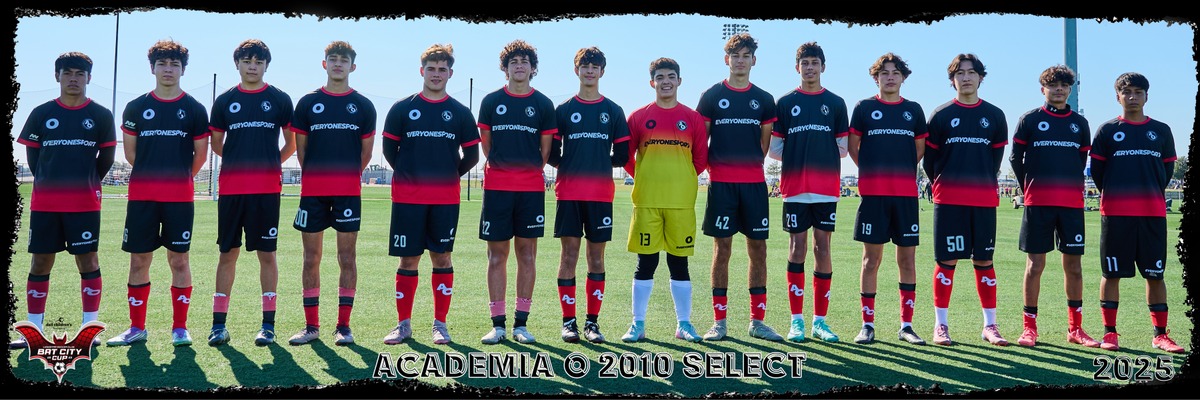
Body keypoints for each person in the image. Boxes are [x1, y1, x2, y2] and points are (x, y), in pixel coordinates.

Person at [105, 40, 209, 347]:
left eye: (174, 64)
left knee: (179, 260)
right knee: (139, 260)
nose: (168, 69)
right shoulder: (136, 107)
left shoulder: (194, 109)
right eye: (162, 64)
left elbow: (200, 156)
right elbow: (131, 155)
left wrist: (178, 178)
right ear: (152, 68)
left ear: (183, 70)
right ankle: (137, 328)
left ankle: (180, 328)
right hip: (142, 198)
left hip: (179, 199)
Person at [11, 52, 115, 349]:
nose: (73, 78)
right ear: (57, 76)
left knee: (88, 260)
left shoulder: (100, 115)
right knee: (41, 261)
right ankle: (33, 329)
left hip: (84, 203)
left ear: (89, 78)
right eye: (67, 72)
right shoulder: (41, 113)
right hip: (46, 203)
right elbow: (34, 158)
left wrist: (86, 181)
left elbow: (106, 158)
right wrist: (50, 181)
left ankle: (90, 328)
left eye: (80, 74)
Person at [380, 43, 480, 345]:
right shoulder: (402, 108)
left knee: (442, 257)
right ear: (421, 71)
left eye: (442, 69)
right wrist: (411, 175)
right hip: (408, 198)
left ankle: (440, 324)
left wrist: (447, 176)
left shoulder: (460, 113)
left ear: (450, 73)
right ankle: (403, 325)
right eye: (431, 69)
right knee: (408, 260)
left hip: (445, 199)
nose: (436, 74)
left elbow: (472, 156)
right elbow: (389, 151)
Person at [285, 41, 376, 346]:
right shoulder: (308, 103)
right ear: (324, 64)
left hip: (347, 193)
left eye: (344, 60)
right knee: (311, 258)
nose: (338, 64)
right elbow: (301, 151)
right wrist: (319, 176)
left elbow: (365, 154)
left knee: (347, 257)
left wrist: (345, 177)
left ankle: (343, 326)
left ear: (353, 66)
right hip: (313, 192)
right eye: (333, 59)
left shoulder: (363, 106)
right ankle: (311, 326)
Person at [207, 39, 295, 346]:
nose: (252, 66)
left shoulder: (279, 99)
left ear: (266, 65)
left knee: (266, 254)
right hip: (232, 190)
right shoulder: (225, 101)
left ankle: (268, 325)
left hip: (266, 190)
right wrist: (239, 162)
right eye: (247, 61)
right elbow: (217, 144)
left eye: (258, 62)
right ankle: (219, 326)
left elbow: (291, 144)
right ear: (237, 64)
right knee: (227, 253)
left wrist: (268, 164)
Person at [695, 33, 782, 342]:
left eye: (746, 56)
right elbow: (701, 141)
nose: (740, 61)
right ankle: (719, 322)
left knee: (758, 250)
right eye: (736, 56)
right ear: (727, 59)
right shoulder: (711, 96)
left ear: (753, 61)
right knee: (722, 250)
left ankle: (757, 322)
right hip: (722, 186)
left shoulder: (764, 99)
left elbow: (764, 145)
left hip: (754, 186)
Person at [1089, 72, 1183, 353]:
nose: (1132, 97)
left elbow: (1166, 171)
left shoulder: (1161, 130)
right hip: (1116, 214)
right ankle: (1109, 333)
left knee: (1155, 274)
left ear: (1146, 96)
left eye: (1138, 92)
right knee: (1111, 273)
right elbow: (1098, 174)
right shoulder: (1107, 130)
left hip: (1152, 213)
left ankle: (1160, 335)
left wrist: (1148, 191)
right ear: (1117, 96)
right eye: (1126, 92)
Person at [1009, 65, 1099, 348]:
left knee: (1074, 267)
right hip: (1038, 203)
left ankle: (1075, 329)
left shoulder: (1080, 124)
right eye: (1053, 85)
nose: (1058, 89)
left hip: (1071, 204)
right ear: (1043, 89)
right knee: (1035, 265)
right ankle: (1029, 328)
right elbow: (1015, 159)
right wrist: (1029, 188)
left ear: (1070, 89)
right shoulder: (1030, 120)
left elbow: (1081, 160)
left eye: (1063, 85)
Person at [923, 54, 1010, 346]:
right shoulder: (940, 115)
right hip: (949, 199)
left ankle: (990, 325)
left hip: (983, 198)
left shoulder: (995, 115)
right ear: (952, 80)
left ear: (981, 77)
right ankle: (941, 325)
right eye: (960, 73)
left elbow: (995, 159)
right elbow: (930, 161)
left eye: (972, 72)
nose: (966, 77)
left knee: (984, 260)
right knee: (946, 260)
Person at [621, 57, 709, 343]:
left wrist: (680, 178)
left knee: (679, 264)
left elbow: (700, 160)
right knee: (645, 263)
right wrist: (646, 176)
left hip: (681, 203)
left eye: (671, 76)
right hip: (647, 201)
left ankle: (684, 324)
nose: (666, 81)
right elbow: (627, 157)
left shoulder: (692, 118)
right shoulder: (638, 117)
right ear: (652, 82)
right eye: (660, 77)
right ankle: (638, 324)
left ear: (679, 81)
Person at [477, 40, 558, 344]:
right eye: (514, 62)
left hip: (530, 190)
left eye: (525, 61)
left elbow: (545, 152)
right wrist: (503, 168)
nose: (519, 66)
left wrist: (527, 170)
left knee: (527, 255)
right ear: (506, 68)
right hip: (497, 188)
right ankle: (497, 325)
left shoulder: (543, 104)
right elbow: (487, 145)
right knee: (497, 256)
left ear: (533, 68)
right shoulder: (491, 101)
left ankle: (521, 325)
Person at [767, 41, 848, 343]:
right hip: (795, 188)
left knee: (822, 249)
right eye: (805, 63)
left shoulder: (836, 103)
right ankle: (796, 321)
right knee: (797, 248)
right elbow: (774, 149)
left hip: (825, 189)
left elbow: (842, 148)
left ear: (823, 67)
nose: (810, 68)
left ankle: (820, 322)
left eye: (815, 62)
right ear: (797, 67)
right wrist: (800, 155)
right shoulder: (785, 103)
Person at [548, 47, 630, 343]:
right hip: (569, 193)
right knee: (568, 255)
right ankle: (568, 322)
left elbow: (622, 154)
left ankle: (592, 324)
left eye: (595, 66)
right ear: (577, 71)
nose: (590, 71)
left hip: (600, 195)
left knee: (596, 258)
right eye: (585, 66)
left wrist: (597, 164)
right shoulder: (563, 110)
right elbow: (552, 153)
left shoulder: (613, 110)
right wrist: (572, 164)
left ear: (602, 72)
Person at [847, 53, 926, 345]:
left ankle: (907, 326)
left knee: (907, 260)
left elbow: (919, 149)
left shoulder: (913, 110)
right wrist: (873, 171)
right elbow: (854, 147)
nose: (890, 77)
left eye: (895, 73)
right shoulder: (864, 108)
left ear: (903, 78)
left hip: (905, 196)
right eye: (884, 73)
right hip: (874, 196)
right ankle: (867, 325)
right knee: (871, 260)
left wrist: (899, 171)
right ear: (876, 78)